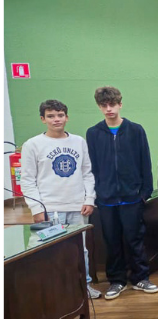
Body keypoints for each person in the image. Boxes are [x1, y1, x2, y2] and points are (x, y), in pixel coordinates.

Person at [19, 99, 101, 299]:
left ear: (67, 117)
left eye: (60, 115)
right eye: (51, 116)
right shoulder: (32, 145)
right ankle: (49, 291)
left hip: (77, 207)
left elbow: (87, 173)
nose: (56, 119)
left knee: (80, 252)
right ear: (43, 119)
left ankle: (84, 286)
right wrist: (37, 209)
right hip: (48, 211)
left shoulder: (79, 141)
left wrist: (89, 199)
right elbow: (27, 181)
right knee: (45, 252)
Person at [86, 86, 158, 300]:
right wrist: (96, 192)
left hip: (132, 197)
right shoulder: (94, 133)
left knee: (135, 238)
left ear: (120, 104)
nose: (109, 109)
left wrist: (144, 192)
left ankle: (140, 278)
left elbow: (145, 162)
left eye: (112, 104)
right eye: (104, 105)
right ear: (99, 107)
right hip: (106, 198)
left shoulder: (136, 130)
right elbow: (92, 166)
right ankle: (117, 281)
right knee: (112, 240)